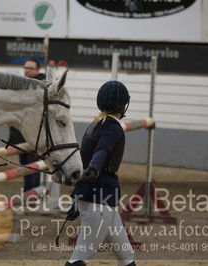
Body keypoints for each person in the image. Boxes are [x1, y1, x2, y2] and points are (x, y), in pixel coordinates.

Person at [65, 81, 154, 266]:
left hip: (101, 201)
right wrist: (94, 169)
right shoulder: (112, 126)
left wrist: (91, 170)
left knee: (126, 256)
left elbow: (96, 151)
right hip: (99, 200)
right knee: (79, 258)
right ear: (123, 105)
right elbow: (102, 151)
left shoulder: (97, 123)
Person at [9, 58, 46, 191]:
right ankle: (28, 191)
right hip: (21, 133)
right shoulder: (24, 84)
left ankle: (32, 192)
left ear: (37, 70)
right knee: (24, 164)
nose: (27, 70)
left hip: (35, 133)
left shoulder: (41, 85)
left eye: (30, 68)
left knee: (33, 165)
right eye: (25, 67)